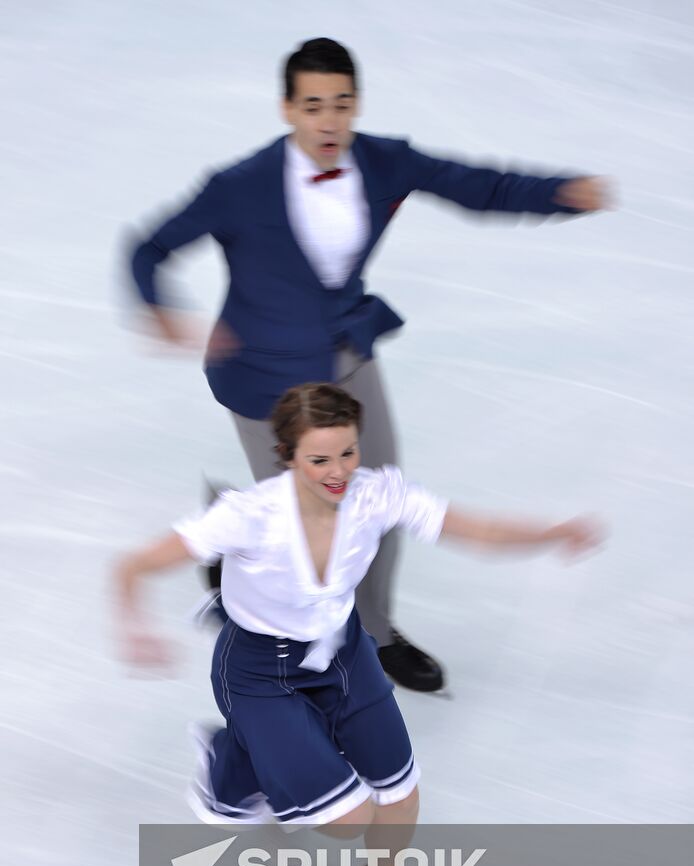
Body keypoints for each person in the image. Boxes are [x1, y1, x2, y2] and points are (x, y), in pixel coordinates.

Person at [128, 36, 610, 693]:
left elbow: (478, 186)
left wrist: (558, 193)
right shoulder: (237, 187)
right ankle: (229, 543)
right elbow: (149, 246)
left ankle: (377, 633)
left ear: (356, 106)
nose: (329, 122)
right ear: (288, 109)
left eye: (342, 105)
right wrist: (158, 308)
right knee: (295, 518)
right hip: (264, 370)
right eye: (314, 106)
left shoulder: (384, 163)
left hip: (345, 350)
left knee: (375, 495)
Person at [115, 382, 602, 866]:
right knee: (347, 821)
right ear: (288, 455)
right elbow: (133, 566)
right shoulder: (248, 516)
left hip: (344, 653)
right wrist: (134, 623)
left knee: (399, 793)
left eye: (347, 452)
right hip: (260, 671)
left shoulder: (377, 496)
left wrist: (553, 532)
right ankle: (232, 754)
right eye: (318, 458)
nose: (338, 471)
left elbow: (478, 531)